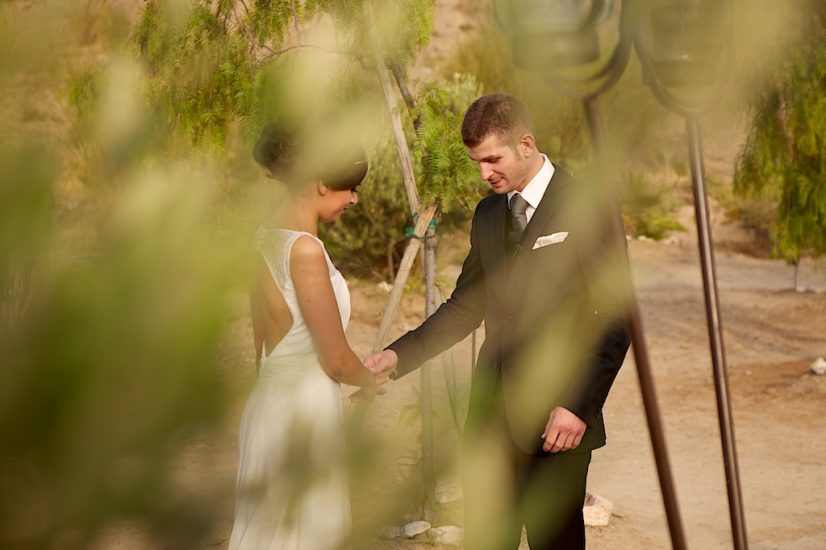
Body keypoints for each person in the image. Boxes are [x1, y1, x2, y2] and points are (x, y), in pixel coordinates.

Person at [365, 93, 631, 549]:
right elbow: (466, 307)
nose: (484, 173)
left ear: (526, 144)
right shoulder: (489, 214)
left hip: (558, 420)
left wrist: (577, 405)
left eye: (492, 159)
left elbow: (614, 317)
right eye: (476, 162)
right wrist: (397, 355)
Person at [229, 121, 378, 550]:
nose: (354, 198)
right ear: (318, 182)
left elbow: (263, 345)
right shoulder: (306, 251)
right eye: (349, 187)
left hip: (269, 405)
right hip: (302, 415)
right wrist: (369, 378)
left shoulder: (264, 239)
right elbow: (336, 359)